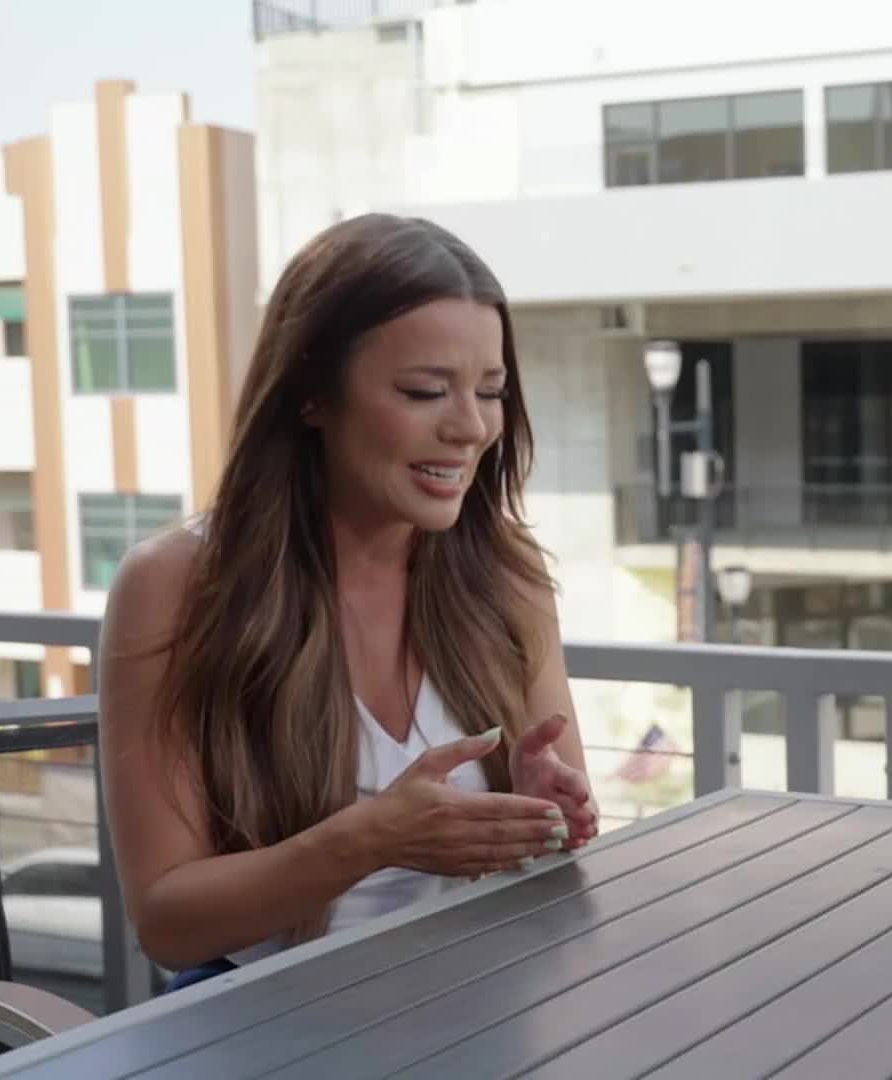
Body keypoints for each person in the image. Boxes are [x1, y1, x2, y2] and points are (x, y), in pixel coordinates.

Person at [98, 214, 600, 991]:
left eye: (491, 392)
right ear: (310, 396)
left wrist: (535, 817)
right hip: (257, 1021)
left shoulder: (508, 577)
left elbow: (564, 837)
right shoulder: (176, 584)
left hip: (471, 997)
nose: (471, 427)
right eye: (425, 390)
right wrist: (368, 841)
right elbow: (167, 920)